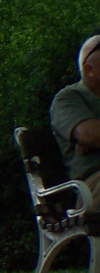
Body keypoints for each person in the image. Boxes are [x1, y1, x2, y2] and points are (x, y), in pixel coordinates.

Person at [50, 34, 100, 208]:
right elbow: (89, 134)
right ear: (89, 70)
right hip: (93, 185)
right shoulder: (67, 98)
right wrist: (92, 137)